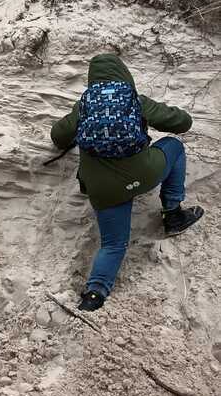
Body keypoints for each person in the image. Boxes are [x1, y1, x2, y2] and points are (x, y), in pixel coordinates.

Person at [50, 53, 203, 311]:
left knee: (113, 245)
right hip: (143, 175)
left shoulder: (84, 105)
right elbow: (183, 123)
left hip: (104, 190)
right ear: (125, 75)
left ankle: (93, 297)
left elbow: (58, 136)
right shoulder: (135, 99)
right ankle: (173, 214)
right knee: (175, 146)